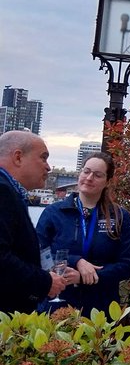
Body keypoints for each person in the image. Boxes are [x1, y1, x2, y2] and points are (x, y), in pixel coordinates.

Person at [35, 151, 130, 315]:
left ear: (107, 182)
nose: (89, 178)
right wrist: (77, 261)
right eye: (86, 171)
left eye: (97, 175)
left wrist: (87, 277)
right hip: (57, 306)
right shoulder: (54, 212)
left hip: (100, 309)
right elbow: (36, 254)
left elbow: (128, 266)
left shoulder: (119, 216)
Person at [0, 130, 74, 311]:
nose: (48, 167)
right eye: (43, 158)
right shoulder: (2, 192)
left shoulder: (10, 192)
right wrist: (44, 282)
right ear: (18, 157)